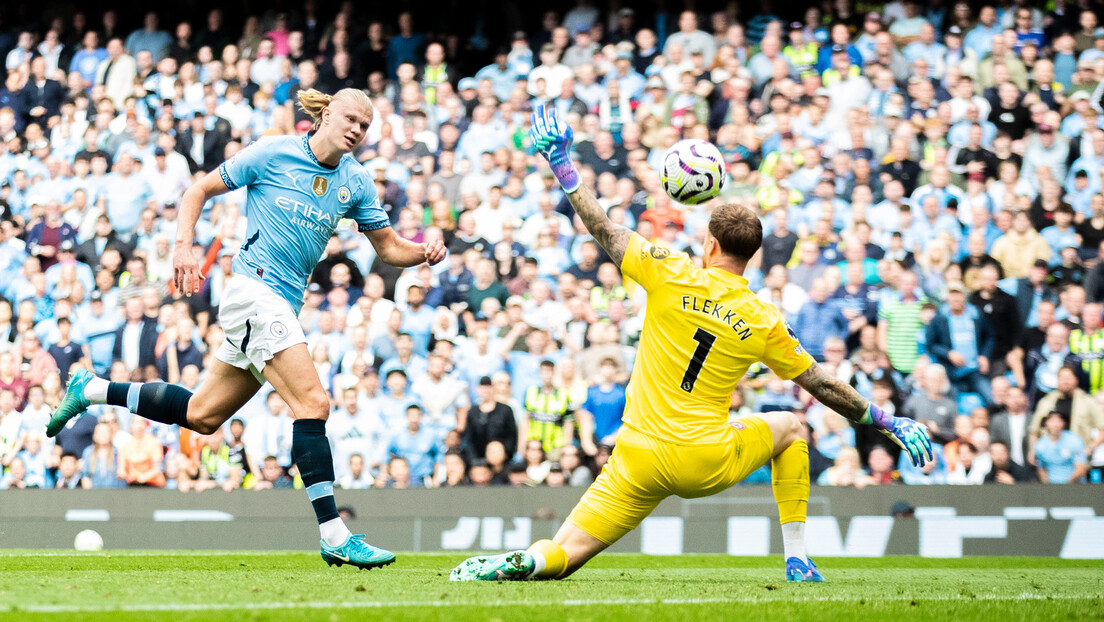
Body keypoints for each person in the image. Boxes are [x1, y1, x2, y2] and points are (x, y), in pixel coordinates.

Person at [451, 105, 931, 584]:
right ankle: (798, 559)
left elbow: (604, 229)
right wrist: (886, 420)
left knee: (565, 553)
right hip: (705, 459)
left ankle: (535, 559)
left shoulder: (670, 272)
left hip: (638, 453)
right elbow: (821, 384)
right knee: (791, 427)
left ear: (711, 246)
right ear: (751, 255)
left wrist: (562, 164)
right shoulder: (763, 319)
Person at [47, 88, 446, 570]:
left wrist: (423, 250)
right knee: (313, 403)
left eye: (366, 124)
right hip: (253, 291)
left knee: (202, 414)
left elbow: (387, 248)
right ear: (325, 114)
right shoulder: (272, 151)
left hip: (280, 304)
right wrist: (182, 247)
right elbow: (197, 190)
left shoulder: (357, 182)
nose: (358, 129)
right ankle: (334, 533)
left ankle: (92, 388)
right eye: (351, 118)